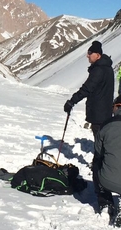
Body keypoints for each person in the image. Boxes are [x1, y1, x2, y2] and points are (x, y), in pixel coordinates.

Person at [63, 40, 114, 212]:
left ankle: (103, 196)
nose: (87, 55)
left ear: (97, 55)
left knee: (99, 155)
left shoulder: (99, 70)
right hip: (105, 115)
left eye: (90, 53)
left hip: (99, 117)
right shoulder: (107, 68)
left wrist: (71, 101)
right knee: (104, 150)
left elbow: (87, 89)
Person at [94, 96, 121, 226]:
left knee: (96, 163)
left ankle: (105, 203)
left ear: (117, 107)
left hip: (108, 180)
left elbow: (98, 153)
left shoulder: (107, 125)